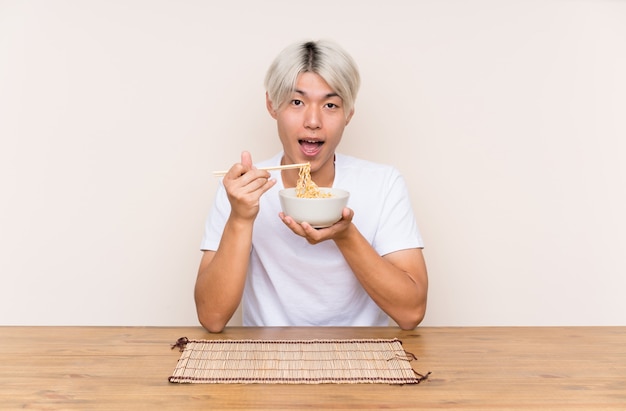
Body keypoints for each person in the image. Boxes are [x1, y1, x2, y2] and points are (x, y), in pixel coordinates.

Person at [195, 40, 428, 333]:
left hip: (364, 359)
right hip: (267, 361)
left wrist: (345, 235)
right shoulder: (242, 190)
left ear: (349, 114)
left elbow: (412, 311)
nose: (313, 121)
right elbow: (211, 317)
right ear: (272, 105)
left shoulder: (383, 184)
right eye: (297, 102)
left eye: (331, 105)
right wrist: (240, 218)